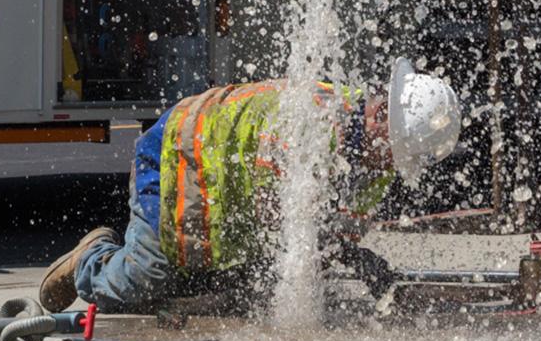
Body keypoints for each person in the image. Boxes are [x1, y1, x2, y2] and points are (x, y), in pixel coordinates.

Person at [39, 59, 462, 313]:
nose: (391, 162)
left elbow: (328, 233)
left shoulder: (375, 163)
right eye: (394, 150)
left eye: (400, 158)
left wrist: (355, 254)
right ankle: (91, 260)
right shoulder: (310, 126)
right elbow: (274, 214)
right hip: (179, 152)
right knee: (143, 279)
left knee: (224, 284)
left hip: (221, 181)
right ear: (379, 119)